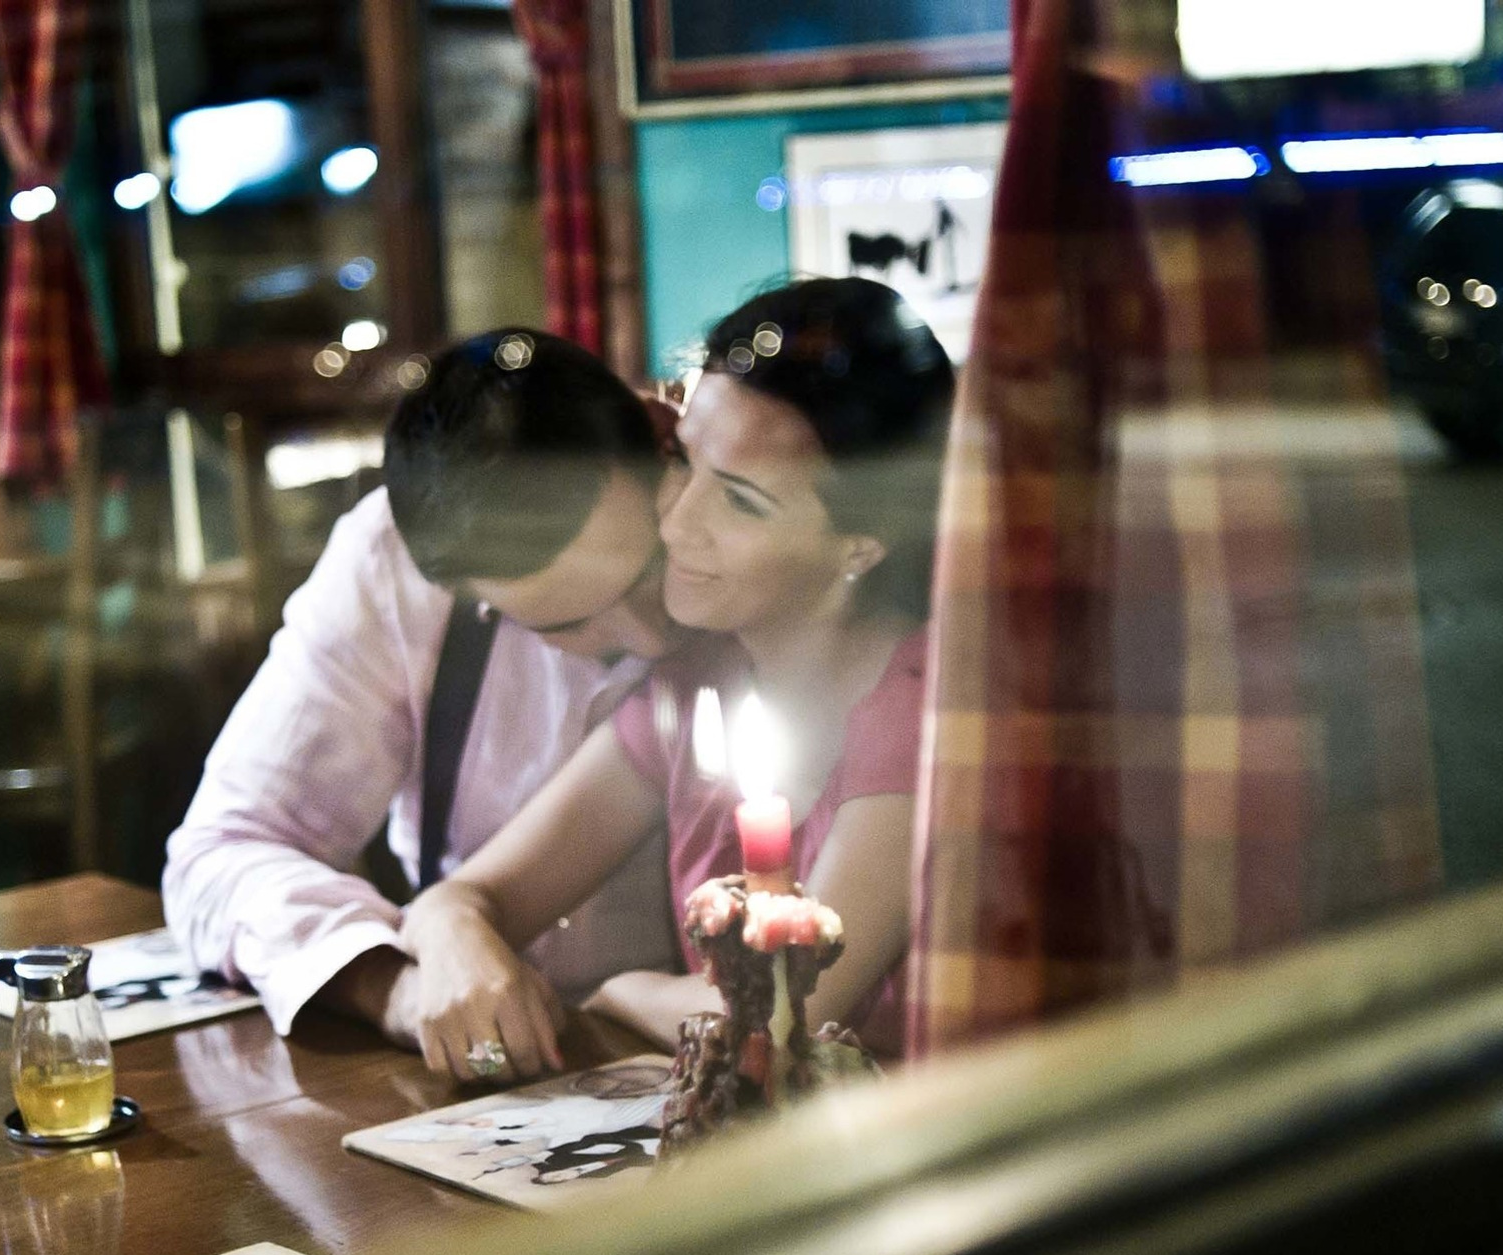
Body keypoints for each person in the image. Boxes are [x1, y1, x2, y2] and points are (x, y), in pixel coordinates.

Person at [399, 278, 953, 1082]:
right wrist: (454, 937)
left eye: (739, 501)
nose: (676, 521)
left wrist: (619, 990)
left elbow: (783, 1020)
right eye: (685, 462)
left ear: (861, 544)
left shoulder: (916, 705)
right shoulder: (698, 680)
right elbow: (464, 898)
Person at [163, 329, 686, 1053]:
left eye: (649, 569)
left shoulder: (734, 511)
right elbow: (220, 855)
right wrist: (402, 987)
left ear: (661, 441)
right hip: (489, 1085)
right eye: (570, 621)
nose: (653, 638)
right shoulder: (394, 562)